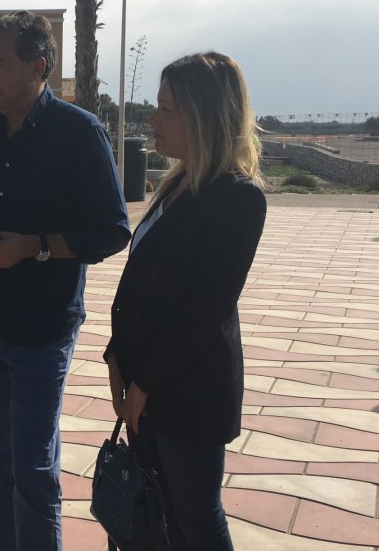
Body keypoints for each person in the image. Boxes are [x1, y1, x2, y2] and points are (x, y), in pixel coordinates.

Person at [0, 11, 130, 550]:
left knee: (31, 469)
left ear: (38, 66)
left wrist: (35, 246)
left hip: (41, 331)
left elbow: (111, 231)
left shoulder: (79, 134)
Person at [106, 52, 267, 550]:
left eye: (167, 109)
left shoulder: (237, 198)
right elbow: (140, 286)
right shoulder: (176, 184)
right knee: (161, 516)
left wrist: (144, 383)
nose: (153, 119)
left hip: (189, 393)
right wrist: (116, 359)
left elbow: (204, 311)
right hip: (147, 383)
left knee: (196, 521)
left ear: (204, 116)